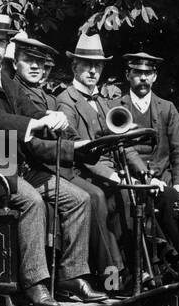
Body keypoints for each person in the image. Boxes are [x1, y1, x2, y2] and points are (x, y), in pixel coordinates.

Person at [0, 13, 102, 306]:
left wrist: (58, 124)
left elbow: (32, 112)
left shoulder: (8, 83)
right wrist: (35, 124)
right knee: (32, 201)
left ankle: (72, 275)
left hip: (15, 170)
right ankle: (34, 282)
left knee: (79, 199)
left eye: (1, 41)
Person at [12, 33, 119, 289]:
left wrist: (85, 144)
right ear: (15, 62)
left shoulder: (47, 98)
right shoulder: (15, 94)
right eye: (28, 60)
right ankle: (109, 279)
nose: (36, 67)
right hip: (38, 170)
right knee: (92, 196)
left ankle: (125, 273)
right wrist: (75, 149)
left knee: (120, 195)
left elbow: (68, 134)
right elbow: (34, 146)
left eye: (40, 62)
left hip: (60, 167)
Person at [56, 33, 154, 271]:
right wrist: (111, 176)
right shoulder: (65, 101)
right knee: (102, 197)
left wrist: (144, 173)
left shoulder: (103, 101)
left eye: (98, 66)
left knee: (135, 197)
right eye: (87, 65)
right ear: (74, 66)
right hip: (81, 172)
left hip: (108, 172)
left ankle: (140, 268)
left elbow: (122, 142)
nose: (93, 71)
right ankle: (112, 272)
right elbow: (77, 149)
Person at [122, 50, 179, 252]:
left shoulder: (167, 108)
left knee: (177, 201)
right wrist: (144, 178)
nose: (143, 77)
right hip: (130, 180)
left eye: (148, 73)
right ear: (128, 75)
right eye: (137, 72)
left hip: (164, 178)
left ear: (154, 76)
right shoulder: (115, 107)